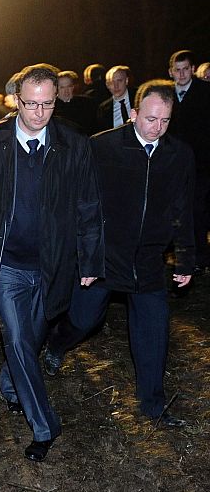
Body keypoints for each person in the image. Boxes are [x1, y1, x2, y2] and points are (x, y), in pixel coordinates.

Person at [0, 64, 104, 462]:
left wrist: (89, 258)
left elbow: (88, 205)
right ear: (15, 99)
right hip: (3, 263)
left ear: (56, 99)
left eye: (47, 104)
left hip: (53, 264)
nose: (39, 113)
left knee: (31, 337)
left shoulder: (74, 144)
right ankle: (45, 425)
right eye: (31, 104)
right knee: (18, 338)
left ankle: (11, 384)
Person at [43, 81, 194, 427]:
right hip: (105, 256)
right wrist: (83, 252)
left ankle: (153, 406)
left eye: (166, 121)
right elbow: (81, 203)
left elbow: (183, 209)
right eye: (151, 119)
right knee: (84, 320)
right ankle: (56, 344)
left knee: (154, 333)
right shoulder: (102, 147)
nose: (158, 128)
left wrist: (185, 257)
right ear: (133, 113)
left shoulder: (179, 155)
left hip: (148, 261)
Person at [168, 50, 210, 272]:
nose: (182, 74)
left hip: (201, 163)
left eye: (186, 69)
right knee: (177, 211)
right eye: (177, 70)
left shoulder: (205, 92)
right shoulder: (165, 93)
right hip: (174, 164)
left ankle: (201, 257)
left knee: (197, 209)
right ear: (170, 71)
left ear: (193, 69)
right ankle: (179, 255)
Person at [95, 66, 136, 132]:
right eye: (111, 82)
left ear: (126, 81)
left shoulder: (139, 98)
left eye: (119, 81)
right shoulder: (103, 109)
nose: (116, 86)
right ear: (107, 85)